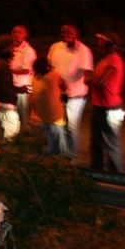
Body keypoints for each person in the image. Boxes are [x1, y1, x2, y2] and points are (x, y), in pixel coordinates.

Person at [48, 24, 94, 159]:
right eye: (63, 32)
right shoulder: (55, 47)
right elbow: (51, 66)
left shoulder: (83, 50)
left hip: (75, 95)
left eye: (69, 33)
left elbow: (88, 73)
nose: (65, 35)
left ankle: (71, 156)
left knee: (71, 126)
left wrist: (78, 85)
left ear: (76, 34)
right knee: (56, 124)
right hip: (57, 93)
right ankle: (58, 153)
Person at [88, 31, 125, 172]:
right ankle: (96, 170)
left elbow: (101, 82)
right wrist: (93, 81)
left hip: (111, 107)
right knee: (96, 141)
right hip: (99, 105)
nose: (98, 43)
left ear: (108, 43)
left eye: (101, 41)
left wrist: (91, 81)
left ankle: (116, 174)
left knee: (111, 142)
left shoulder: (114, 60)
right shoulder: (104, 60)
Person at [30, 56, 68, 155]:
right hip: (55, 118)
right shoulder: (53, 76)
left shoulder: (34, 80)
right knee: (59, 148)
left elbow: (31, 98)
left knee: (48, 143)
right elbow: (65, 86)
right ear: (47, 67)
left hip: (41, 117)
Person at [0, 39, 20, 141]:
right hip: (6, 106)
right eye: (12, 48)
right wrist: (14, 97)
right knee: (11, 139)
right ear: (5, 50)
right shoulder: (3, 66)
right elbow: (5, 89)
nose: (14, 51)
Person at [9, 25, 37, 126]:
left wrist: (7, 70)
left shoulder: (28, 51)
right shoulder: (11, 48)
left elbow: (26, 70)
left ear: (25, 35)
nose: (16, 34)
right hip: (11, 87)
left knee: (22, 117)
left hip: (22, 89)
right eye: (14, 32)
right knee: (11, 116)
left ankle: (23, 138)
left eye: (19, 32)